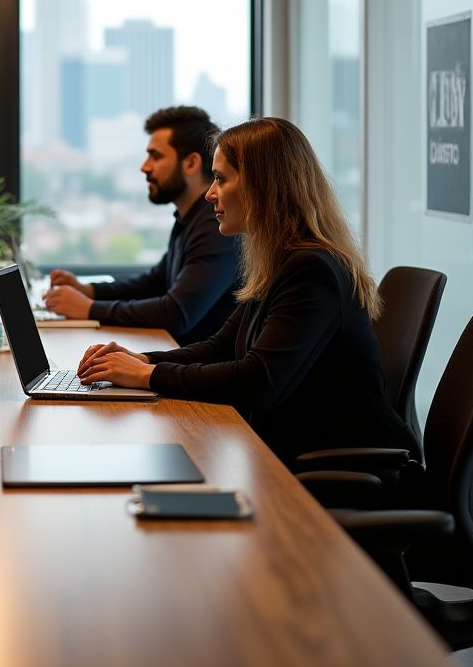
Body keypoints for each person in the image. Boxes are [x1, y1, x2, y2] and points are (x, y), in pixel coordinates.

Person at [76, 117, 417, 465]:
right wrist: (140, 360)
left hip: (347, 468)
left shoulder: (310, 269)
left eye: (221, 179)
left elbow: (260, 381)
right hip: (298, 451)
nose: (210, 193)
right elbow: (220, 347)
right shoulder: (281, 260)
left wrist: (148, 376)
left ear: (262, 186)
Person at [44, 106, 238, 345]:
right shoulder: (190, 218)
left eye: (155, 156)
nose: (144, 167)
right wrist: (89, 291)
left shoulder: (215, 226)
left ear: (191, 163)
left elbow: (177, 313)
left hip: (203, 371)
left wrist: (90, 309)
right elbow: (154, 282)